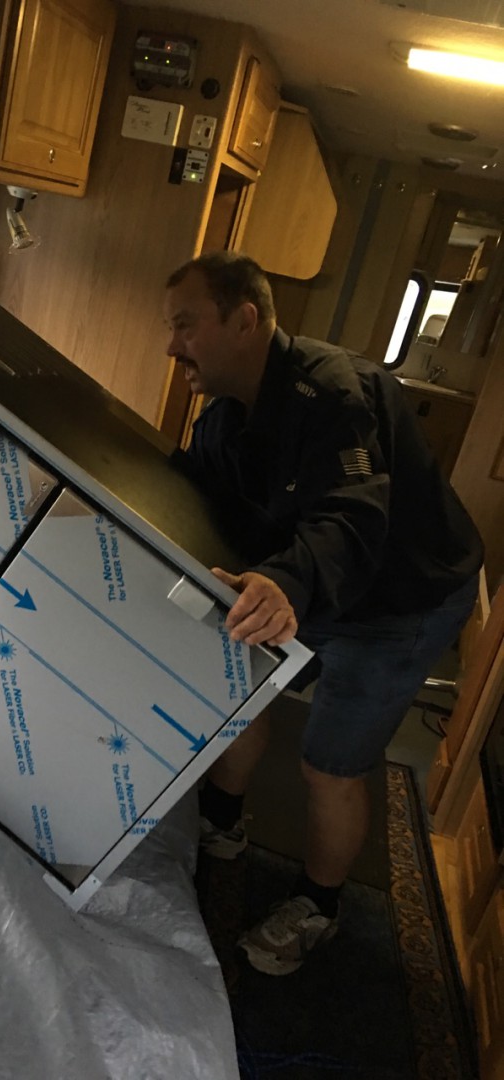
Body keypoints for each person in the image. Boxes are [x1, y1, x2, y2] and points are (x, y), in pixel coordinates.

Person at [165, 252, 483, 976]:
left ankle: (319, 905)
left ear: (244, 320)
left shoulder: (334, 394)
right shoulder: (225, 419)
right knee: (239, 693)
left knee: (329, 764)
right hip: (311, 582)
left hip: (404, 599)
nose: (171, 346)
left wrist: (285, 582)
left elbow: (352, 515)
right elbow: (198, 494)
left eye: (185, 325)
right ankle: (222, 825)